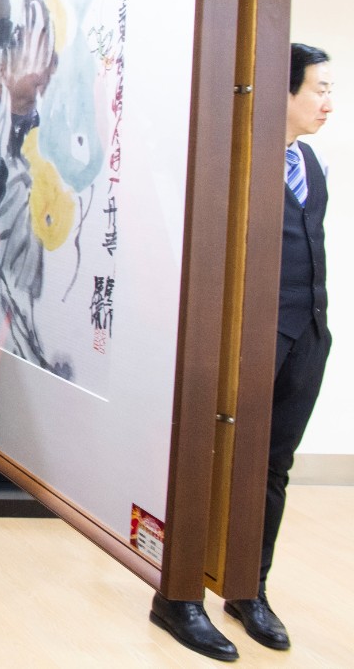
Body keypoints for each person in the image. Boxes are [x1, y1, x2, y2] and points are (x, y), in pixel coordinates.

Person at [149, 42, 335, 661]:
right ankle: (178, 596)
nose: (328, 103)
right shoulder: (231, 160)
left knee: (273, 466)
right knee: (209, 461)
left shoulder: (309, 162)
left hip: (306, 336)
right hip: (242, 339)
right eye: (320, 89)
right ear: (281, 90)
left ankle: (248, 589)